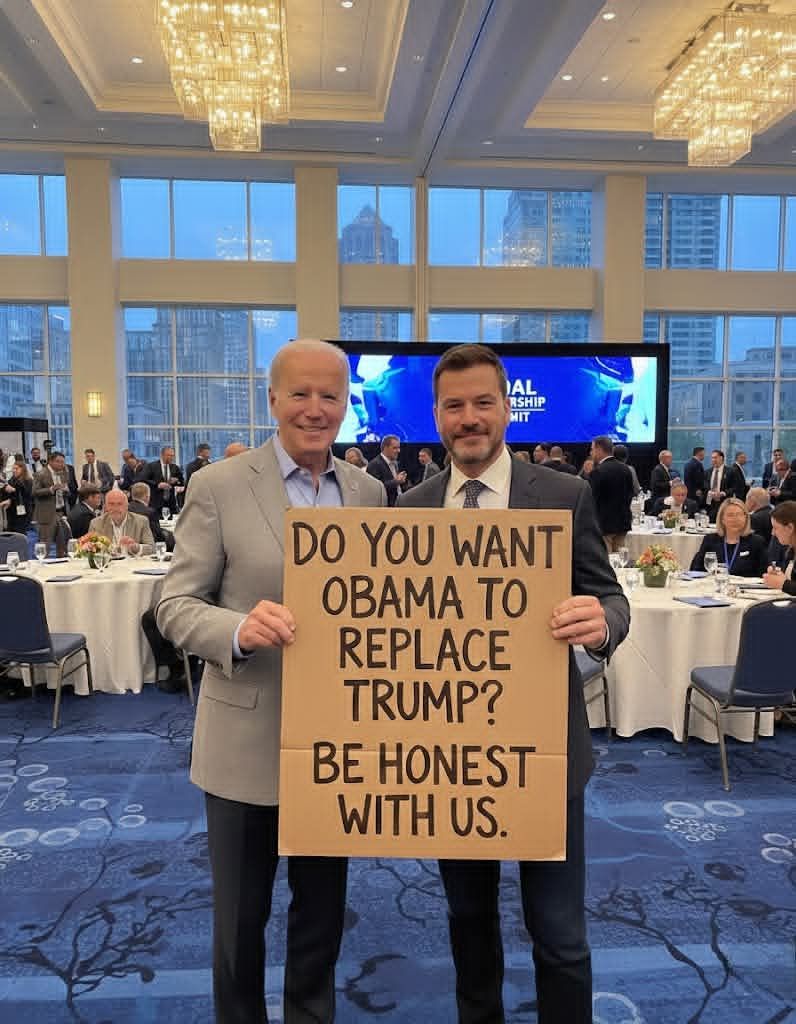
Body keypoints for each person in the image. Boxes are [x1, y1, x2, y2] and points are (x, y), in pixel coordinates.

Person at [156, 339, 387, 1024]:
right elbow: (174, 605)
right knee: (240, 921)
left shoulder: (370, 493)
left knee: (321, 915)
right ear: (273, 400)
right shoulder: (219, 486)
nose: (315, 409)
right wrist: (237, 630)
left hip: (338, 744)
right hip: (245, 739)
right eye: (300, 394)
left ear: (345, 405)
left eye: (330, 396)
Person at [398, 343, 629, 1024]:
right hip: (447, 754)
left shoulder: (563, 495)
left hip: (543, 751)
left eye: (482, 403)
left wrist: (603, 623)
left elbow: (610, 599)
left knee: (558, 933)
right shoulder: (409, 507)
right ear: (437, 416)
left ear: (507, 408)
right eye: (454, 405)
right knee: (468, 921)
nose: (469, 418)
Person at [689, 497, 767, 577]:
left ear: (746, 517)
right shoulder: (710, 540)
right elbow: (696, 569)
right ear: (722, 519)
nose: (735, 519)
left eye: (739, 514)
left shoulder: (756, 542)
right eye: (730, 515)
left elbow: (763, 574)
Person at [588, 435, 634, 552]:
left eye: (592, 449)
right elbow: (631, 494)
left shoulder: (597, 471)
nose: (590, 453)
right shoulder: (626, 469)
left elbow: (591, 499)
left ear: (599, 449)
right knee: (620, 559)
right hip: (623, 523)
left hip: (604, 525)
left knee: (606, 560)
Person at [32, 451, 76, 550]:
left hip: (61, 512)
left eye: (63, 462)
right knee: (45, 545)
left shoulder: (63, 474)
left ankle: (62, 558)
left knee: (63, 543)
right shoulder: (40, 474)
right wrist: (51, 489)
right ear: (50, 461)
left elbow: (67, 492)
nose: (61, 464)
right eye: (58, 461)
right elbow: (34, 492)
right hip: (46, 514)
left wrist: (66, 491)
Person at [91, 489, 154, 556]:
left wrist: (135, 547)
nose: (115, 508)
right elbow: (90, 549)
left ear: (127, 506)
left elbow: (152, 548)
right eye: (111, 504)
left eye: (119, 504)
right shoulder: (96, 523)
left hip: (131, 562)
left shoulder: (141, 521)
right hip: (108, 562)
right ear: (105, 506)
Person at [762, 501, 796, 596]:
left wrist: (783, 584)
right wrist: (779, 576)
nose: (773, 533)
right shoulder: (790, 550)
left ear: (790, 528)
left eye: (775, 528)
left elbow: (788, 585)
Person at [128, 482, 173, 550]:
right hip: (147, 547)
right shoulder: (150, 512)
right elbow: (158, 536)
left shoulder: (125, 509)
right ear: (147, 497)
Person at [142, 446, 185, 516]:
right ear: (162, 455)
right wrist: (157, 484)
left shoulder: (175, 467)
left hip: (171, 502)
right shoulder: (151, 466)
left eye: (172, 455)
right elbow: (143, 480)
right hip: (156, 502)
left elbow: (181, 482)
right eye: (169, 455)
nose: (171, 458)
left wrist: (176, 480)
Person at [366, 434, 407, 506]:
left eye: (399, 448)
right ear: (385, 448)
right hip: (386, 508)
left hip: (398, 505)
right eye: (395, 448)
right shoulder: (374, 464)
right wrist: (396, 481)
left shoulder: (395, 463)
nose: (398, 451)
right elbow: (376, 489)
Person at [2, 461, 34, 535]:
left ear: (23, 469)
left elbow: (27, 495)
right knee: (10, 532)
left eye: (16, 469)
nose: (14, 470)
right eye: (13, 469)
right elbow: (9, 495)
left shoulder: (28, 480)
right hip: (11, 511)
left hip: (23, 511)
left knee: (20, 532)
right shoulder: (11, 480)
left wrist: (14, 490)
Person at [704, 449, 733, 522]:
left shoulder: (730, 471)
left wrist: (722, 493)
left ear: (721, 458)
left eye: (715, 457)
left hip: (724, 503)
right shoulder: (707, 472)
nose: (713, 460)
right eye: (712, 458)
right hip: (710, 504)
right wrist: (710, 492)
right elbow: (704, 486)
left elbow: (733, 488)